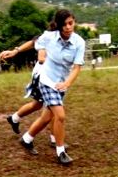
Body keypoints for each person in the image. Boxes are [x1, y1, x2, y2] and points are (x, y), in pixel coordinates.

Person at [19, 9, 85, 165]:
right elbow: (34, 42)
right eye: (65, 25)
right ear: (59, 26)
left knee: (47, 117)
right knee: (60, 115)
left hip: (61, 83)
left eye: (71, 23)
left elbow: (76, 68)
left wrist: (66, 83)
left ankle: (26, 139)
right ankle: (60, 152)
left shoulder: (79, 42)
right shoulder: (49, 37)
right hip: (47, 80)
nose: (68, 27)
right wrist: (15, 51)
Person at [0, 34, 61, 148]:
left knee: (39, 105)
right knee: (53, 107)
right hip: (43, 76)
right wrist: (15, 51)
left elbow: (33, 42)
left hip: (51, 76)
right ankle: (52, 139)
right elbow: (37, 50)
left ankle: (14, 118)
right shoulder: (50, 35)